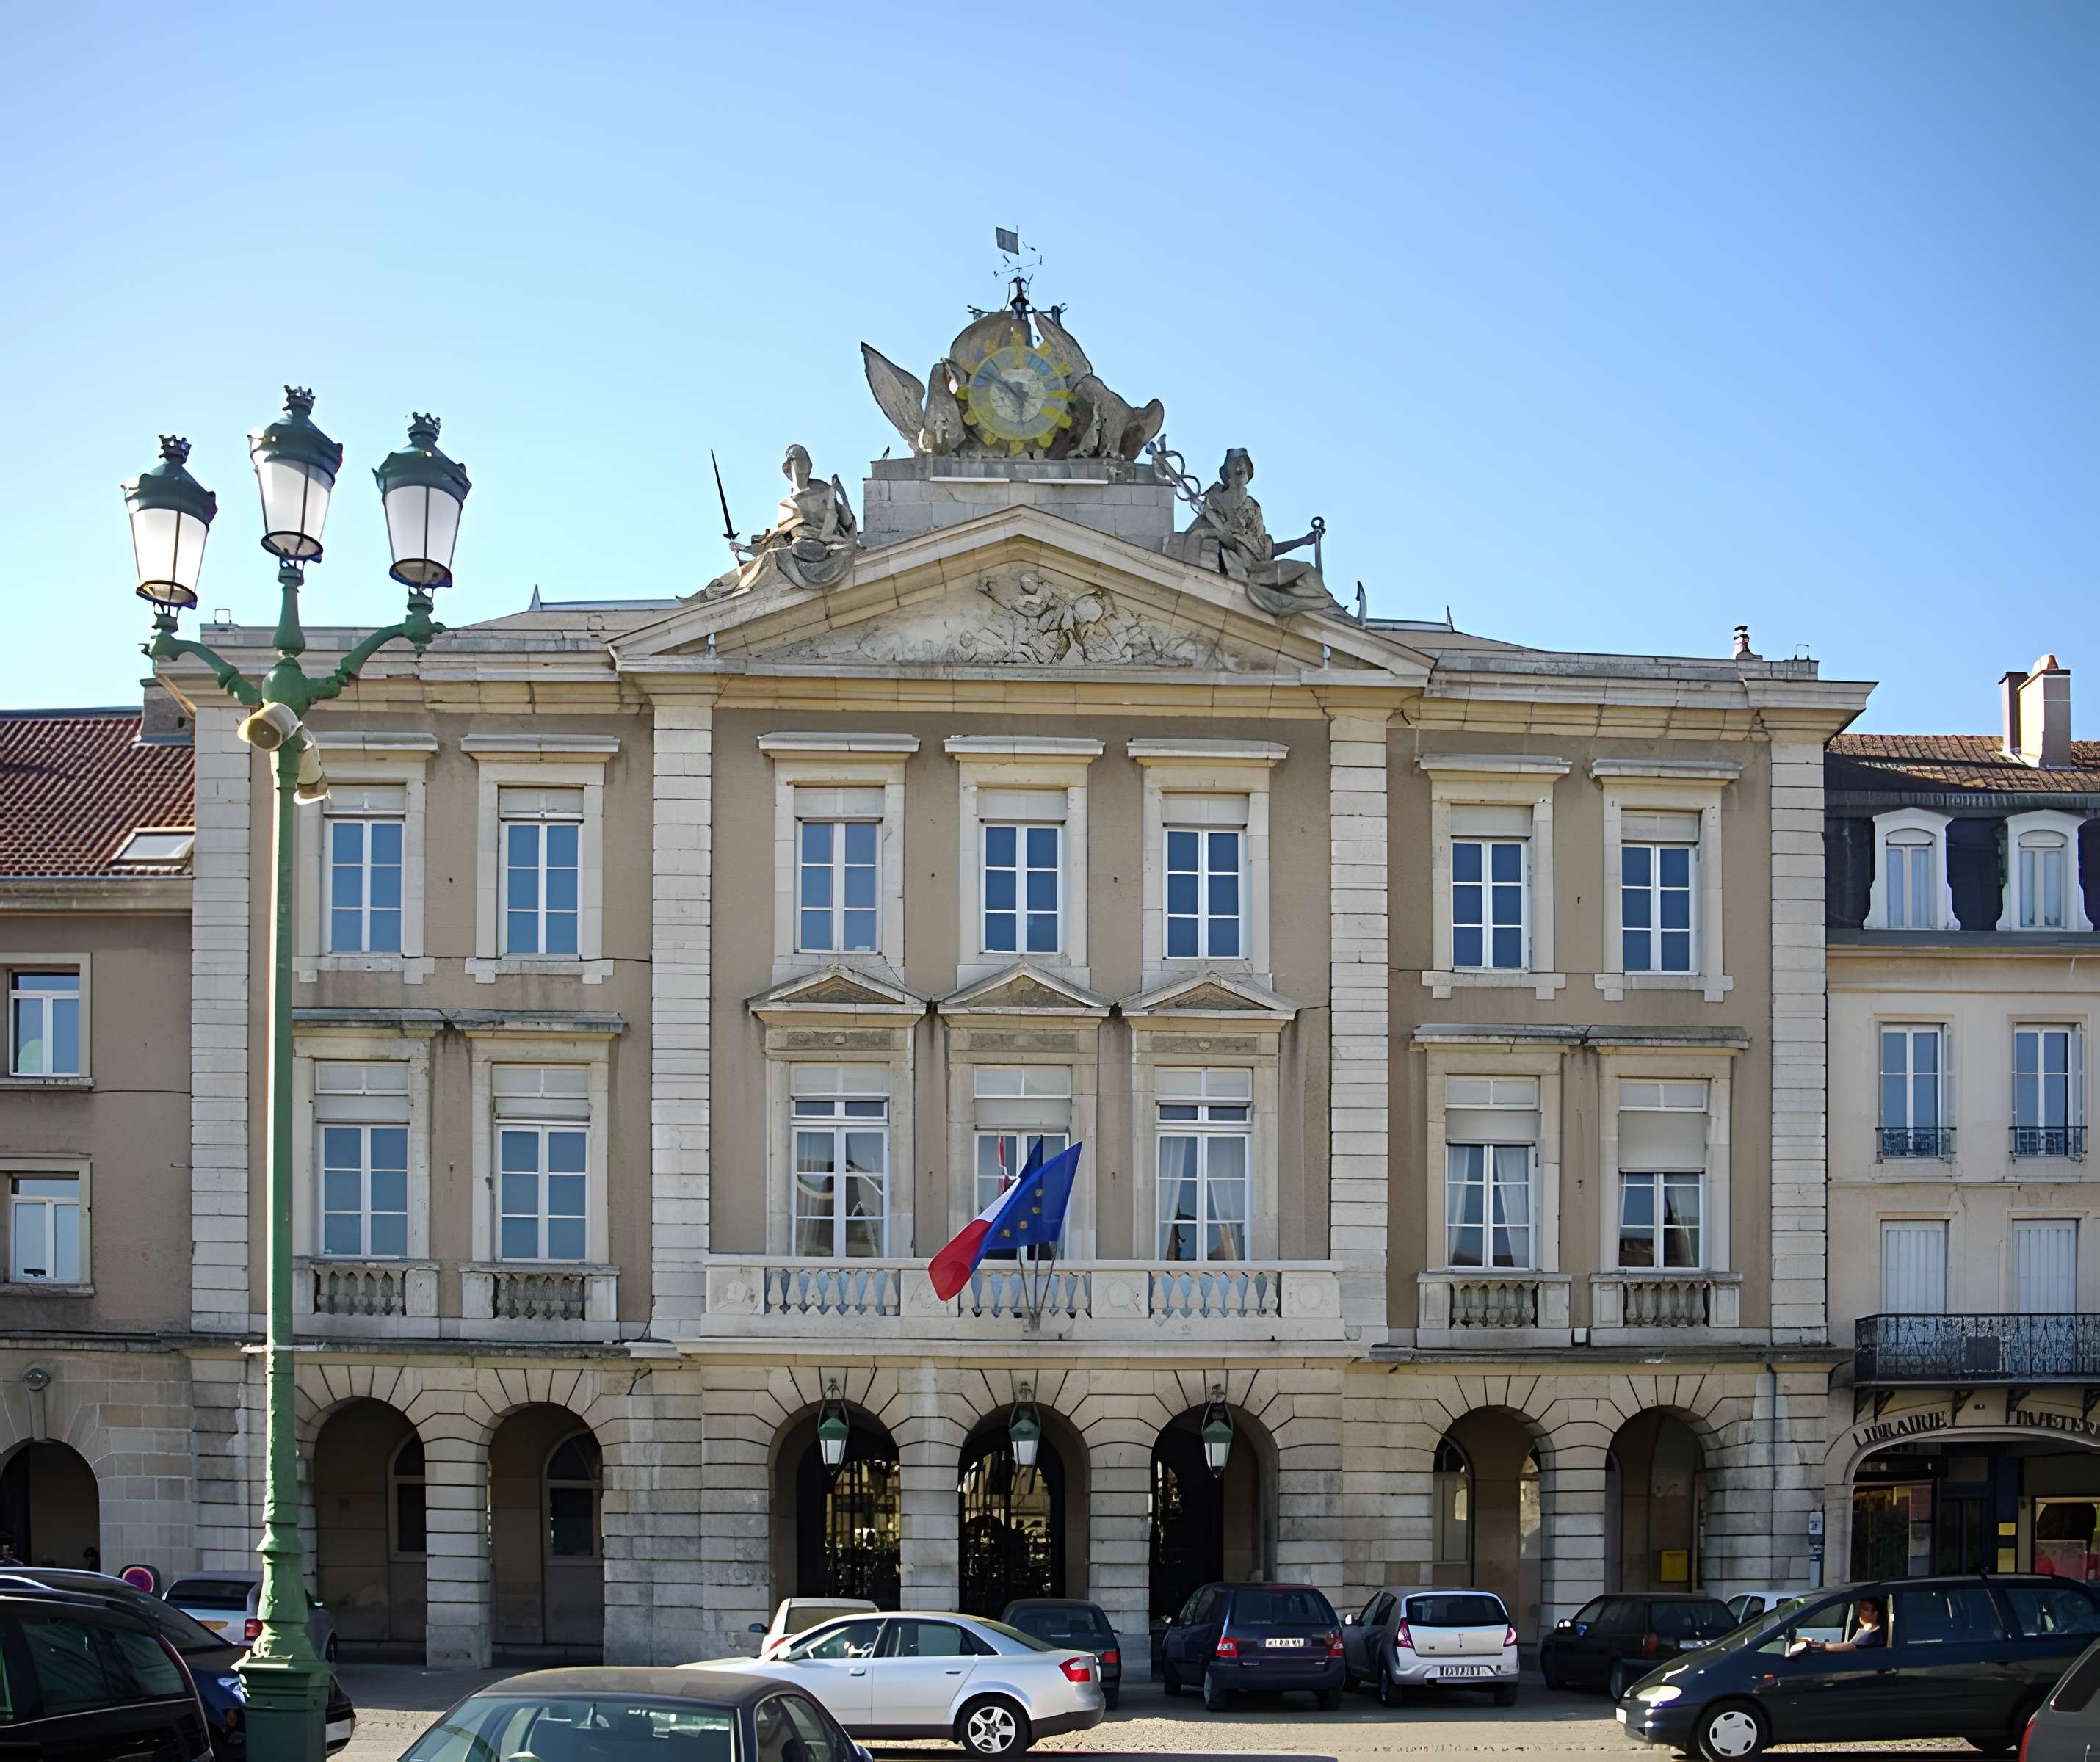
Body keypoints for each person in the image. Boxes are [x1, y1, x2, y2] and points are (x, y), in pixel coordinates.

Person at [1807, 1597, 1886, 1651]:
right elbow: (1849, 1645)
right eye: (1860, 1608)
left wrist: (1823, 1646)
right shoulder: (1865, 1631)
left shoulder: (1874, 1635)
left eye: (1865, 1609)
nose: (1860, 1612)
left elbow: (1852, 1647)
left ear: (1875, 1614)